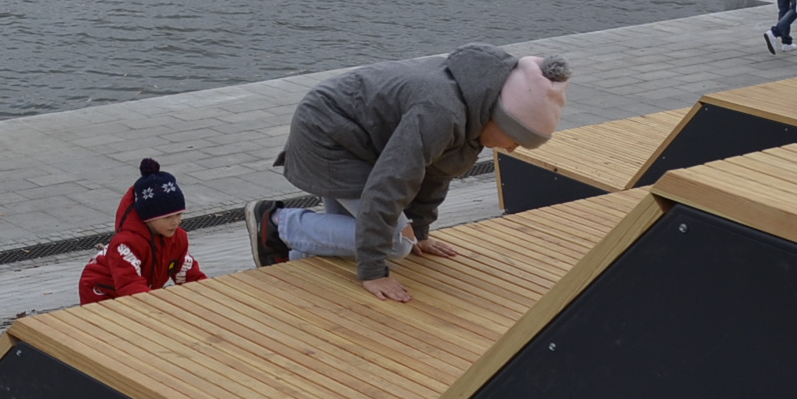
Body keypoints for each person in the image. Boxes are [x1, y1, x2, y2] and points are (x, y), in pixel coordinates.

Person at [244, 45, 570, 303]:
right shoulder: (441, 112)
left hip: (362, 142)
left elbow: (435, 174)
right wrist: (373, 271)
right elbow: (390, 183)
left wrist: (423, 231)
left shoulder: (473, 113)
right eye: (515, 139)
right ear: (500, 118)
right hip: (328, 136)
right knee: (395, 242)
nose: (512, 150)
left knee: (361, 234)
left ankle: (295, 258)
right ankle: (274, 222)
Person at [78, 159, 208, 304]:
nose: (175, 222)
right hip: (101, 292)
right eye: (167, 217)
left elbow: (187, 274)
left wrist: (208, 293)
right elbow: (130, 285)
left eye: (179, 214)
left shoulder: (178, 238)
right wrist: (158, 305)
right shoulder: (125, 244)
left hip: (140, 290)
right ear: (148, 218)